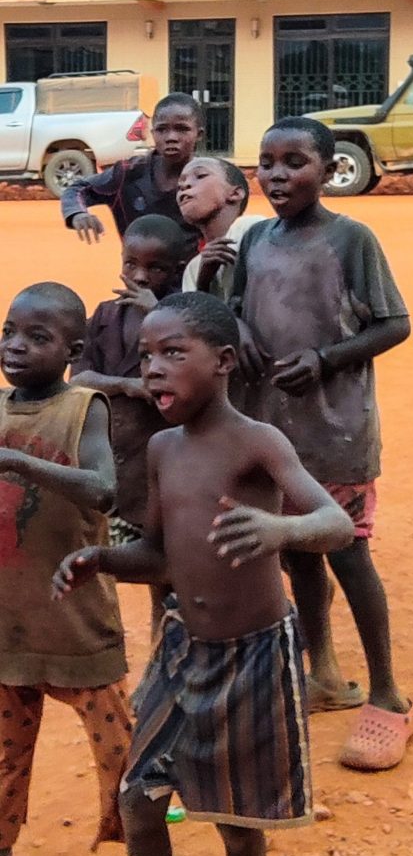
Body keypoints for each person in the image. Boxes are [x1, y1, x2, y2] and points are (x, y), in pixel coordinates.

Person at [53, 291, 355, 856]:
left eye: (171, 354)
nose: (153, 371)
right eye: (145, 358)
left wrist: (282, 530)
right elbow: (160, 555)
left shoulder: (258, 442)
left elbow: (334, 522)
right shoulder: (162, 448)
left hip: (254, 653)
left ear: (222, 363)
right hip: (184, 648)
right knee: (139, 798)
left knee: (237, 814)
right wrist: (103, 559)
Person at [0, 283, 199, 856]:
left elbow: (101, 490)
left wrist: (18, 461)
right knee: (5, 753)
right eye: (9, 331)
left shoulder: (84, 406)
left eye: (38, 338)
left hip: (75, 619)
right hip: (9, 620)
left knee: (124, 750)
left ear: (73, 349)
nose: (15, 346)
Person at [231, 116, 413, 770]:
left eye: (294, 162)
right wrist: (239, 332)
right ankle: (325, 674)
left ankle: (389, 694)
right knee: (299, 558)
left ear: (330, 169)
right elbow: (230, 308)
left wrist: (329, 357)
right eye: (268, 162)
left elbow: (395, 323)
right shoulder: (253, 239)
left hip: (335, 433)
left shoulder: (351, 239)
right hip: (271, 432)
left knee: (348, 555)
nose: (278, 175)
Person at [71, 215, 191, 634]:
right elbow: (80, 378)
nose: (139, 276)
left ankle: (163, 656)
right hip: (114, 467)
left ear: (177, 270)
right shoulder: (105, 316)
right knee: (103, 565)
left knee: (165, 572)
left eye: (155, 268)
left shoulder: (183, 318)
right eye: (130, 264)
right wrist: (127, 384)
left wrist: (159, 314)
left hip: (160, 472)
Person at [61, 93, 203, 248]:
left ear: (199, 134)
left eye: (182, 129)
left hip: (195, 271)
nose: (171, 137)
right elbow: (78, 188)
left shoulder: (211, 179)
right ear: (153, 133)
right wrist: (77, 213)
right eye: (162, 129)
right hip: (139, 270)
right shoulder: (127, 173)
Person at [177, 157, 266, 302]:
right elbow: (198, 322)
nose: (185, 186)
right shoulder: (194, 268)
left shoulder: (252, 229)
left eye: (200, 176)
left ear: (235, 193)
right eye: (180, 186)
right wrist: (203, 282)